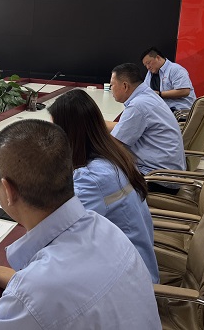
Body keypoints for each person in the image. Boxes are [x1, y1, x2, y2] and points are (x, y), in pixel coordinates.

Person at [0, 119, 161, 330]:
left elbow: (37, 293)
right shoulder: (103, 228)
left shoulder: (37, 293)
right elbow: (45, 287)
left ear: (8, 190)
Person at [48, 88, 159, 283]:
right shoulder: (113, 157)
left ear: (69, 134)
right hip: (131, 262)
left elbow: (57, 234)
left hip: (127, 284)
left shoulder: (93, 178)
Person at [107, 63, 185, 193]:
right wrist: (95, 122)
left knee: (97, 175)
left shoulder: (138, 106)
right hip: (168, 174)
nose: (111, 89)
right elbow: (124, 127)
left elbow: (113, 145)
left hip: (156, 180)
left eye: (112, 85)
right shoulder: (147, 96)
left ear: (125, 86)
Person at [140, 46, 196, 111]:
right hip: (164, 110)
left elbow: (184, 91)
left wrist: (159, 94)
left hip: (181, 110)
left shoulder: (175, 69)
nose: (148, 67)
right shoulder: (150, 73)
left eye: (148, 63)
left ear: (158, 58)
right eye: (145, 65)